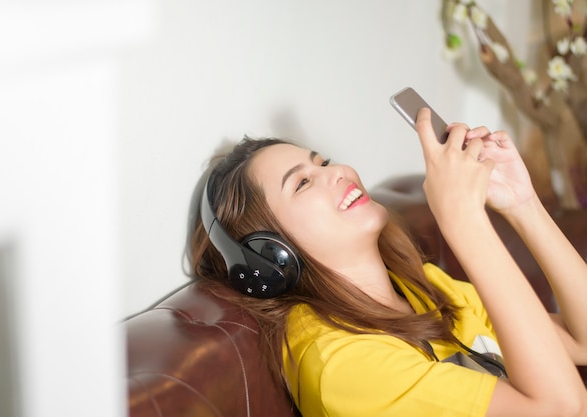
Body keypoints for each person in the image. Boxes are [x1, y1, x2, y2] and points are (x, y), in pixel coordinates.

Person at [190, 108, 587, 416]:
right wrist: (464, 221)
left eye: (324, 163)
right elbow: (562, 408)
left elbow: (580, 343)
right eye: (303, 182)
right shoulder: (341, 365)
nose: (339, 173)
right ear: (270, 255)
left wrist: (523, 205)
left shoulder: (419, 285)